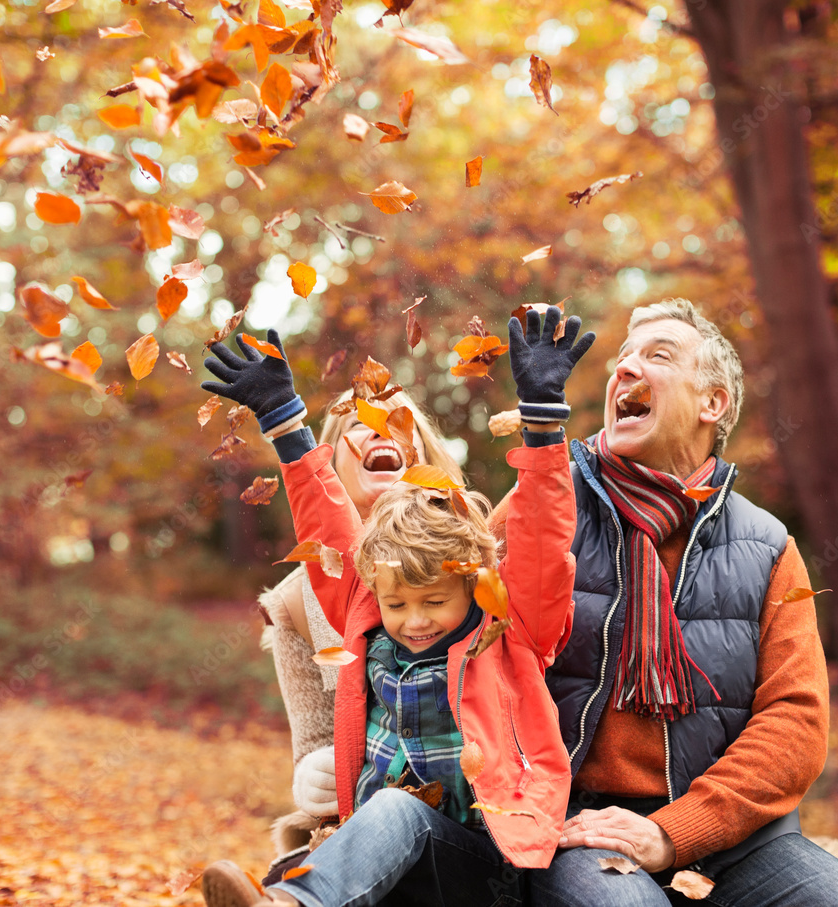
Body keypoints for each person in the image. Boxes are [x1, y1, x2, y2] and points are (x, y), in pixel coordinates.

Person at [198, 309, 595, 906]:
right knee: (375, 825)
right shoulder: (365, 604)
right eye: (397, 604)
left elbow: (542, 540)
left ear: (471, 584)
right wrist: (282, 418)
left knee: (397, 813)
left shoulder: (506, 623)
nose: (412, 620)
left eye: (434, 600)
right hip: (383, 862)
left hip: (485, 863)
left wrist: (542, 422)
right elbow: (327, 527)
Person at [528, 298, 838, 905]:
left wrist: (673, 833)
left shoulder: (767, 547)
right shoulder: (548, 509)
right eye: (622, 358)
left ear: (712, 404)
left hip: (735, 838)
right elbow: (439, 604)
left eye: (657, 356)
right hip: (583, 826)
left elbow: (795, 725)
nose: (623, 369)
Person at [256, 389, 463, 862]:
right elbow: (312, 740)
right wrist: (313, 771)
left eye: (398, 421)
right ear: (330, 466)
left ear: (425, 459)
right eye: (358, 423)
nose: (379, 426)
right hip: (365, 812)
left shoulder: (478, 555)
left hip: (474, 813)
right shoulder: (294, 604)